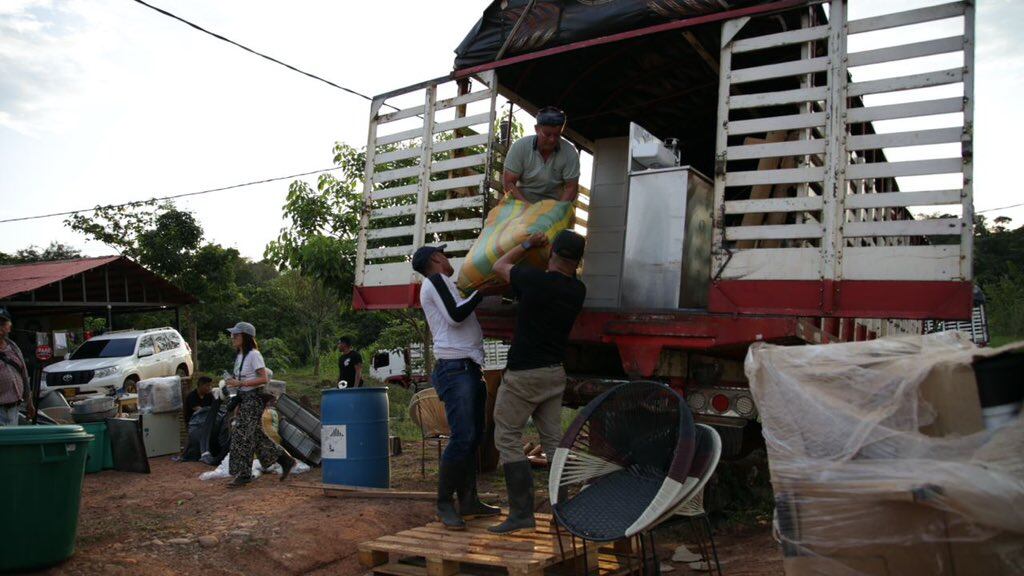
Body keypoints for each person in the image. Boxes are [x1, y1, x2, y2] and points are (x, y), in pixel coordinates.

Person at [488, 230, 587, 534]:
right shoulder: (578, 290)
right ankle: (563, 512)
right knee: (554, 442)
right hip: (553, 374)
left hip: (524, 375)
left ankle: (521, 513)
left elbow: (498, 266)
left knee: (506, 436)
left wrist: (528, 244)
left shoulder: (533, 279)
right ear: (578, 261)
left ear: (552, 252)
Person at [413, 244, 500, 530]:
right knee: (463, 437)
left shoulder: (443, 283)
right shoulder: (435, 280)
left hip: (467, 368)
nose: (448, 259)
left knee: (473, 437)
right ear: (436, 259)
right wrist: (481, 292)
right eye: (444, 255)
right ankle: (444, 503)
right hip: (456, 369)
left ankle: (469, 500)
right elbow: (455, 315)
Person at [224, 321, 295, 487]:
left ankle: (244, 474)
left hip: (253, 399)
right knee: (255, 435)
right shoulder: (240, 355)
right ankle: (285, 460)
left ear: (246, 337)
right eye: (232, 334)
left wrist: (241, 384)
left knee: (242, 437)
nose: (232, 337)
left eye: (236, 334)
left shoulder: (254, 355)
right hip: (244, 398)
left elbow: (264, 378)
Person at [503, 106, 581, 204]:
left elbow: (571, 187)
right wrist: (528, 207)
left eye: (557, 135)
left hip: (553, 206)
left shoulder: (570, 153)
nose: (552, 140)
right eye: (547, 134)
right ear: (536, 129)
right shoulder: (520, 147)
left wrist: (557, 210)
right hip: (521, 203)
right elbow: (509, 183)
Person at [0, 308, 34, 426]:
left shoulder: (13, 347)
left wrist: (29, 403)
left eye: (2, 323)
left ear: (9, 327)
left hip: (14, 408)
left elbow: (24, 375)